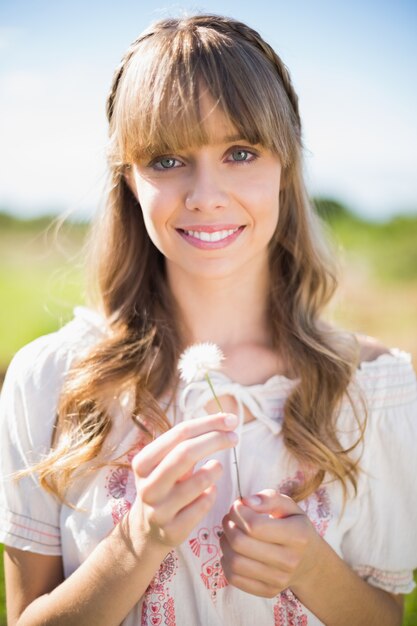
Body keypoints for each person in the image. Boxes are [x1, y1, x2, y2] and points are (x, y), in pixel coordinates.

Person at [1, 14, 416, 626]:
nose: (205, 194)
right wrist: (137, 542)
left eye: (240, 152)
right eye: (167, 160)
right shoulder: (53, 380)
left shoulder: (371, 387)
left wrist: (312, 570)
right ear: (128, 181)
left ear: (285, 167)